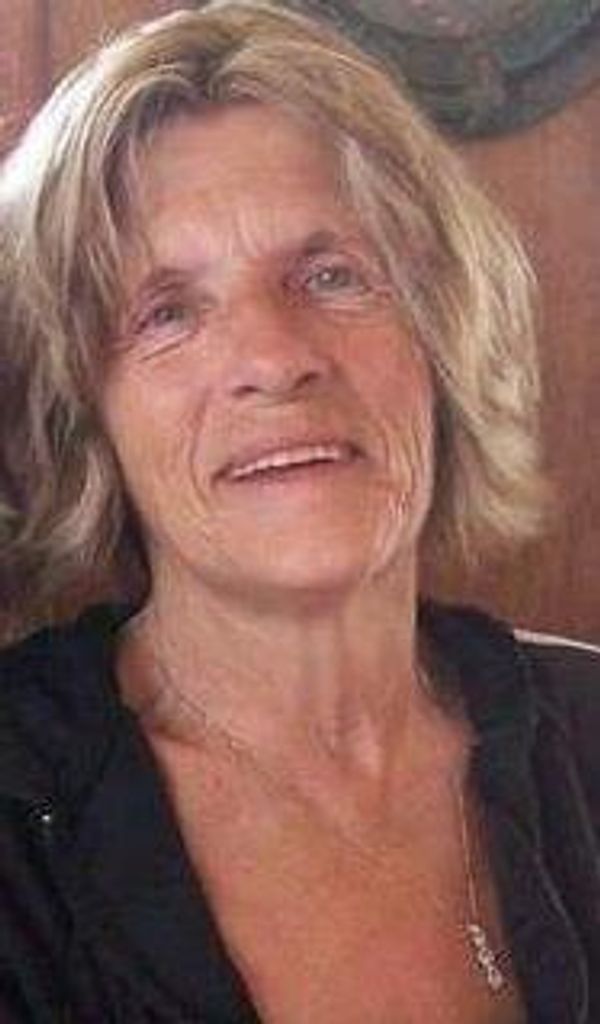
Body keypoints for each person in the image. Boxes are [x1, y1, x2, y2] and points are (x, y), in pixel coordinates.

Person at [0, 2, 598, 1021]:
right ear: (81, 408)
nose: (275, 359)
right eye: (168, 312)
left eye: (331, 275)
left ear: (442, 332)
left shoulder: (585, 730)